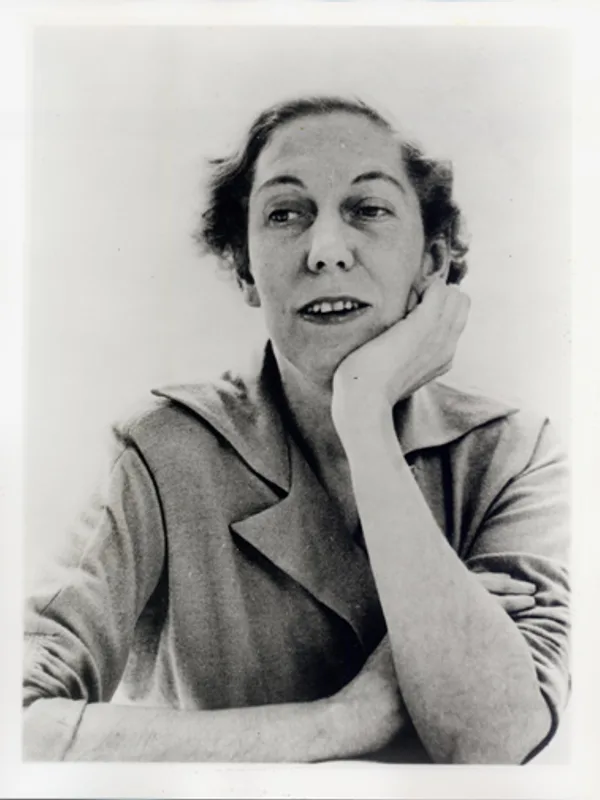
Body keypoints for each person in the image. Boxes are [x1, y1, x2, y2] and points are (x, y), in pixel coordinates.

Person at [23, 95, 570, 764]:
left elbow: (493, 746)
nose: (326, 251)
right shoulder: (160, 452)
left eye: (368, 209)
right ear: (244, 267)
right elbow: (18, 728)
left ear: (432, 260)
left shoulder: (513, 454)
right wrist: (339, 721)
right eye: (285, 214)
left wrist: (363, 414)